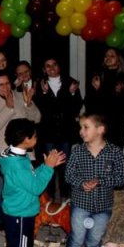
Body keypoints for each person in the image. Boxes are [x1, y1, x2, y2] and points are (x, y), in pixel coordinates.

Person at [0, 118, 65, 247]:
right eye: (34, 136)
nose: (37, 138)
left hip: (24, 212)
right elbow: (36, 187)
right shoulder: (16, 165)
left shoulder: (18, 155)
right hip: (19, 215)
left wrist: (46, 166)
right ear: (25, 139)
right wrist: (48, 168)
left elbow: (31, 178)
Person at [60, 114, 124, 247]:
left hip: (103, 208)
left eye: (85, 127)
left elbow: (121, 179)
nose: (81, 131)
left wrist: (99, 181)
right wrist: (82, 183)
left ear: (100, 130)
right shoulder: (77, 151)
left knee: (94, 243)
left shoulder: (114, 152)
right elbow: (68, 175)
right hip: (80, 205)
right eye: (80, 127)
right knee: (76, 241)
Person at [0, 71, 41, 231]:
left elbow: (36, 118)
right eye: (1, 84)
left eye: (7, 83)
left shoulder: (20, 96)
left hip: (24, 153)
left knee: (22, 189)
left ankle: (19, 216)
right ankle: (0, 221)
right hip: (2, 155)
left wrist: (29, 104)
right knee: (0, 190)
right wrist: (8, 107)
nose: (5, 87)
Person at [34, 57, 83, 201]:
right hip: (48, 132)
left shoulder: (70, 82)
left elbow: (76, 108)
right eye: (47, 66)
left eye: (54, 65)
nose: (51, 68)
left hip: (65, 132)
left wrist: (72, 93)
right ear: (44, 69)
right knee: (48, 165)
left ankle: (64, 197)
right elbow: (41, 109)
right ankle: (48, 198)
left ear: (59, 66)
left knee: (64, 165)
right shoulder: (40, 84)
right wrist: (44, 93)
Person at [84, 47, 124, 147]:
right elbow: (88, 103)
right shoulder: (97, 77)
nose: (108, 58)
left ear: (119, 60)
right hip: (99, 125)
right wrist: (97, 90)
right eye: (106, 56)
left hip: (117, 127)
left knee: (114, 155)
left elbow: (122, 108)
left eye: (112, 56)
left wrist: (119, 94)